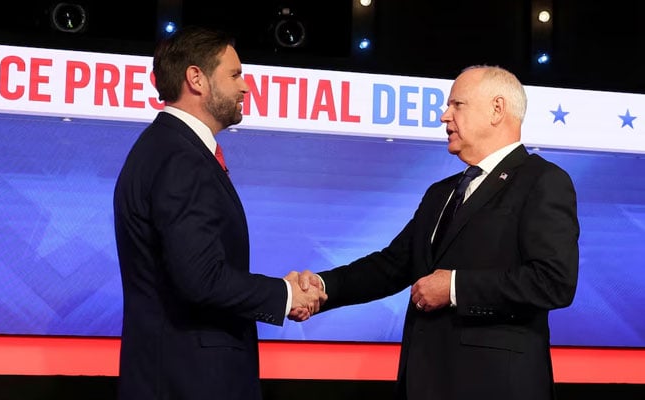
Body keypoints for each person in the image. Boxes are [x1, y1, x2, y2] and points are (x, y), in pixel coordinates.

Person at [295, 65, 579, 400]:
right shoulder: (440, 192)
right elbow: (391, 264)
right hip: (425, 382)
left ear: (497, 109)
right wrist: (324, 286)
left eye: (457, 105)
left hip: (496, 386)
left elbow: (553, 282)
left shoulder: (542, 181)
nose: (445, 116)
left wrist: (455, 287)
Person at [113, 26, 324, 400]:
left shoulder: (166, 147)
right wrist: (286, 295)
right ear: (196, 78)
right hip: (189, 382)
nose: (246, 87)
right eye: (235, 75)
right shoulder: (181, 158)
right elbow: (200, 279)